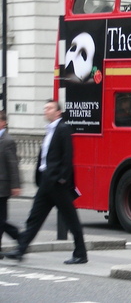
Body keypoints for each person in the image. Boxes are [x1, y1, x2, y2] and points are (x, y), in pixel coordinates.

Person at [5, 101, 87, 264]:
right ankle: (21, 249)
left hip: (57, 183)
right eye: (45, 108)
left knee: (71, 219)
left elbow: (67, 156)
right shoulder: (49, 130)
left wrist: (62, 179)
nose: (45, 110)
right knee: (35, 217)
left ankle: (81, 254)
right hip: (45, 181)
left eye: (49, 108)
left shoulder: (63, 129)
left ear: (58, 112)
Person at [0, 111, 21, 258]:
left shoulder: (8, 140)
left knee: (1, 220)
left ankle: (20, 237)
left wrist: (15, 185)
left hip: (3, 186)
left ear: (3, 122)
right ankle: (20, 237)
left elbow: (13, 164)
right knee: (1, 220)